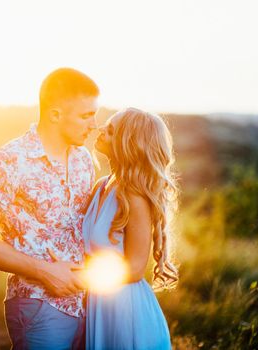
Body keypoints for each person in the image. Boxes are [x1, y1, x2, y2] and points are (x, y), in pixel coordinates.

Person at [0, 67, 100, 349]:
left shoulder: (84, 160)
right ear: (55, 114)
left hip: (89, 308)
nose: (94, 124)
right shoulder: (10, 161)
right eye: (86, 115)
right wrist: (44, 271)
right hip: (39, 306)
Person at [83, 107, 179, 349]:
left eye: (111, 131)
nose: (101, 129)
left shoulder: (133, 196)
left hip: (126, 311)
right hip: (99, 302)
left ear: (128, 144)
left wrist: (81, 278)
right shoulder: (101, 186)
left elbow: (136, 268)